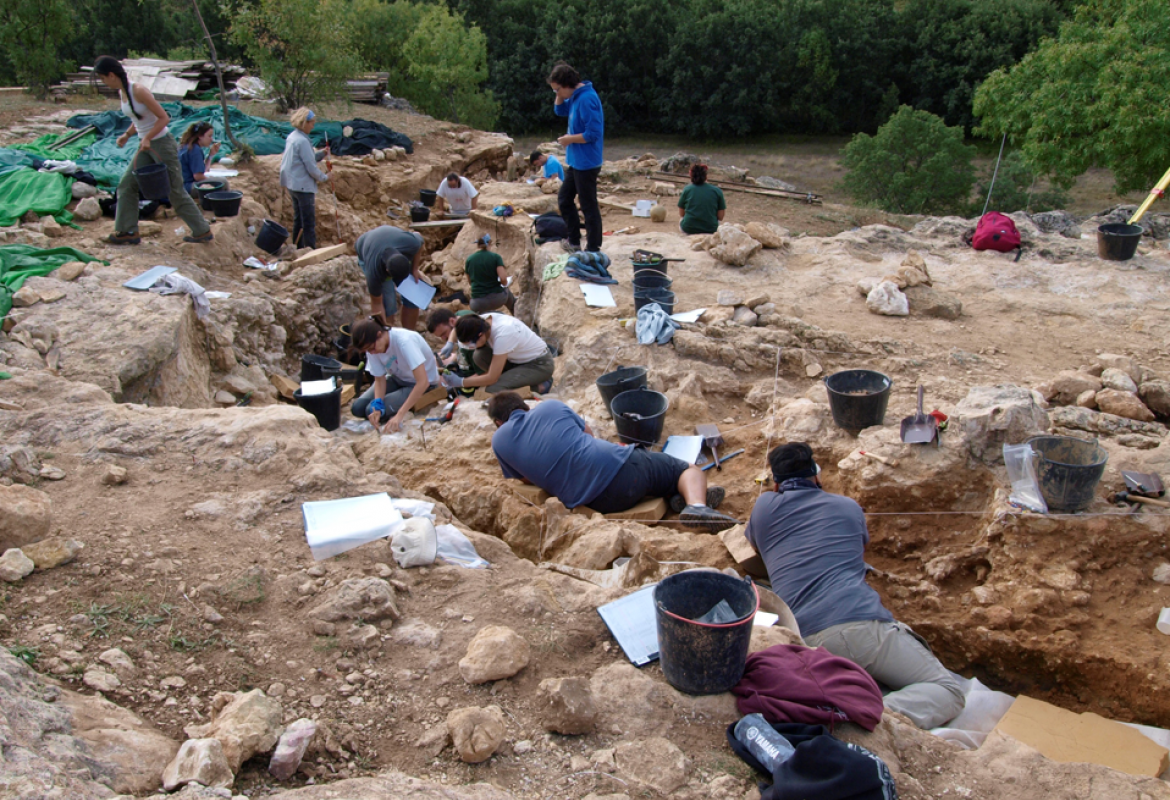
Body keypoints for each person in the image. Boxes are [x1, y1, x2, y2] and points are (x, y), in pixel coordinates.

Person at [743, 442, 965, 730]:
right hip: (861, 624)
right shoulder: (848, 507)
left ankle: (852, 710)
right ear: (816, 475)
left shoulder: (763, 508)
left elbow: (756, 547)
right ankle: (879, 715)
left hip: (806, 640)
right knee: (946, 689)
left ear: (775, 483)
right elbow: (860, 543)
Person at [488, 392, 738, 530]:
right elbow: (589, 434)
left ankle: (676, 498)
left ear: (498, 422)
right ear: (526, 406)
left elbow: (524, 478)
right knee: (687, 469)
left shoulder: (499, 440)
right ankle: (696, 505)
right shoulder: (550, 406)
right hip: (623, 470)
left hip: (595, 502)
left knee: (655, 479)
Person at [95, 56, 213, 245]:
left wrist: (148, 137)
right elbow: (138, 118)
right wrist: (127, 135)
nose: (103, 83)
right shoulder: (122, 92)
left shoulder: (138, 91)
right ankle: (127, 230)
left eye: (103, 78)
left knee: (175, 190)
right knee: (127, 185)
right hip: (146, 145)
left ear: (111, 75)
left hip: (161, 144)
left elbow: (163, 118)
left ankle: (202, 230)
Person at [548, 62, 604, 253]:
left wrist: (569, 139)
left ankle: (593, 248)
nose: (557, 93)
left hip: (587, 162)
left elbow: (593, 133)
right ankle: (574, 240)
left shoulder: (587, 99)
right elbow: (559, 111)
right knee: (564, 199)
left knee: (588, 206)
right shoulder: (573, 96)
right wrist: (558, 94)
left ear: (566, 84)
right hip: (575, 162)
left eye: (557, 89)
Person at [349, 318, 440, 433]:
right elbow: (379, 379)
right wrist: (378, 404)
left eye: (372, 348)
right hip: (397, 378)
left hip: (419, 384)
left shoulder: (404, 342)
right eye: (367, 350)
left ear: (379, 334)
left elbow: (423, 382)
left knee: (368, 411)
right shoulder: (373, 347)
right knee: (358, 408)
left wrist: (399, 415)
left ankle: (400, 404)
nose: (372, 352)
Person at [440, 313, 553, 395]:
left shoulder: (503, 335)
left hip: (539, 365)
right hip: (517, 360)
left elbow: (492, 378)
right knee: (479, 355)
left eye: (471, 345)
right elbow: (457, 326)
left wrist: (461, 382)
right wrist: (450, 342)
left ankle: (539, 386)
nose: (471, 348)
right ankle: (512, 379)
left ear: (480, 335)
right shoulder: (480, 321)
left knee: (493, 389)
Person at [355, 225, 426, 331]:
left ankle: (409, 333)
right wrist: (383, 330)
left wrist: (414, 269)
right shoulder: (374, 270)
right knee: (388, 304)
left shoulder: (411, 244)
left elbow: (420, 240)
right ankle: (389, 335)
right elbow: (377, 303)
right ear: (388, 272)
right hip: (366, 247)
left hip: (390, 238)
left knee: (413, 296)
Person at [280, 107, 332, 250]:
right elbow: (310, 167)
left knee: (299, 220)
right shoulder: (302, 141)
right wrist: (325, 177)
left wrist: (321, 154)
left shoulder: (293, 137)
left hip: (293, 184)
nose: (313, 126)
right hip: (302, 186)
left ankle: (298, 248)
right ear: (304, 122)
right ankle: (310, 251)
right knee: (308, 223)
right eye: (311, 123)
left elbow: (305, 159)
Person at [465, 234, 515, 314]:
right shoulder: (496, 257)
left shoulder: (469, 259)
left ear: (478, 245)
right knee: (510, 297)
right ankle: (518, 316)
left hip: (477, 303)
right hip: (497, 299)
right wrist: (504, 284)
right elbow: (503, 279)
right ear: (490, 243)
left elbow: (470, 282)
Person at [677, 163, 726, 235]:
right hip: (711, 229)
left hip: (688, 228)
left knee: (681, 220)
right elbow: (720, 217)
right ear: (706, 176)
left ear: (691, 176)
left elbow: (682, 213)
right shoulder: (717, 191)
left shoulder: (687, 189)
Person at [178, 122, 220, 195]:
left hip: (180, 186)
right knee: (222, 182)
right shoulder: (195, 150)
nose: (211, 139)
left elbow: (203, 171)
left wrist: (211, 155)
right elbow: (198, 176)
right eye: (209, 136)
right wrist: (212, 181)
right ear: (200, 136)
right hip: (187, 187)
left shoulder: (187, 146)